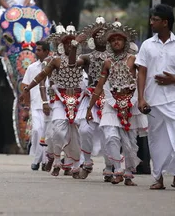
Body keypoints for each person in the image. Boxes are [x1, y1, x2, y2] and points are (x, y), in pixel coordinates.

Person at [86, 20, 146, 186]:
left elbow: (142, 80)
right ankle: (117, 170)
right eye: (112, 40)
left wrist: (141, 99)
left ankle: (128, 173)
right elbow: (99, 86)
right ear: (109, 44)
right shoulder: (107, 62)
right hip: (111, 103)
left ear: (125, 42)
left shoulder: (134, 60)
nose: (116, 42)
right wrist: (89, 108)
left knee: (130, 142)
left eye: (119, 39)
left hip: (132, 104)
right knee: (111, 136)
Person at [23, 24, 85, 176]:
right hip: (58, 99)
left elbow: (72, 64)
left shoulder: (82, 59)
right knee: (57, 131)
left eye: (72, 43)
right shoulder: (55, 61)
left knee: (76, 133)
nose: (70, 46)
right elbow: (41, 77)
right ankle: (56, 159)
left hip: (77, 99)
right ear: (62, 45)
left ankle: (74, 163)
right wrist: (29, 87)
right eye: (67, 43)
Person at [136, 4, 175, 190]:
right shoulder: (147, 45)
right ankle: (158, 177)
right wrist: (141, 98)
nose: (151, 22)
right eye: (151, 19)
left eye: (155, 20)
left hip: (173, 101)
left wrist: (173, 79)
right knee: (156, 141)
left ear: (165, 22)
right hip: (153, 101)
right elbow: (141, 72)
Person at [73, 17, 112, 181]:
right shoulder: (88, 57)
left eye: (104, 35)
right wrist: (75, 45)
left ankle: (110, 167)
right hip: (90, 97)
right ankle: (87, 163)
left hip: (111, 97)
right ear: (92, 39)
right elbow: (73, 64)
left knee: (109, 134)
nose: (100, 37)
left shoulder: (115, 57)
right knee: (84, 130)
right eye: (97, 35)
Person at [21, 41, 51, 170]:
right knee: (37, 131)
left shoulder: (54, 66)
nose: (36, 52)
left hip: (51, 106)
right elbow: (25, 87)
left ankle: (42, 161)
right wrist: (26, 108)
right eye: (36, 49)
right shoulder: (32, 67)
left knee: (47, 134)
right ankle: (38, 159)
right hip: (36, 106)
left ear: (46, 51)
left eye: (39, 50)